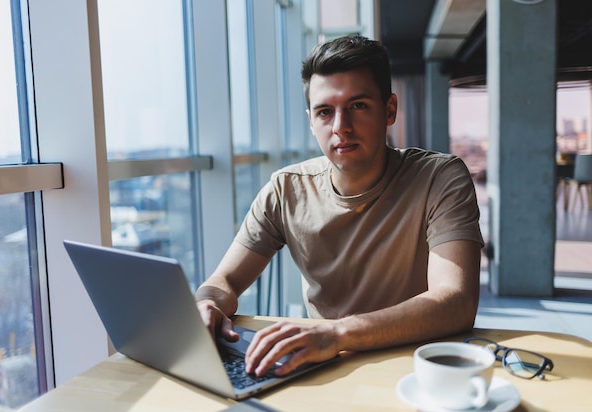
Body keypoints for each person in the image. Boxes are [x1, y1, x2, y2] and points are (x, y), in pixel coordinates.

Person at [195, 34, 483, 378]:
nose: (340, 127)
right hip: (323, 368)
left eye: (358, 106)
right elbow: (224, 279)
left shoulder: (439, 177)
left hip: (416, 367)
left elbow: (456, 301)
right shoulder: (286, 189)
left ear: (389, 110)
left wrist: (336, 332)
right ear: (311, 120)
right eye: (325, 112)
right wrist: (207, 304)